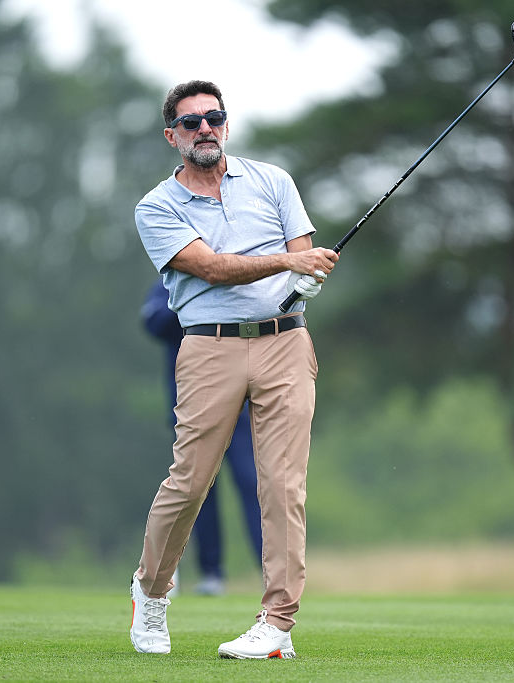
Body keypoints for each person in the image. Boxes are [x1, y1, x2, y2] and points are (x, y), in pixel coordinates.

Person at [128, 80, 338, 659]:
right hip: (209, 346)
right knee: (190, 481)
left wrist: (307, 275)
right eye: (190, 122)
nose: (205, 129)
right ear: (172, 136)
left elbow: (304, 249)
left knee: (283, 486)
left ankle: (277, 624)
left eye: (213, 118)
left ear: (226, 124)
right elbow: (214, 268)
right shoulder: (156, 206)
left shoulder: (273, 181)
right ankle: (151, 591)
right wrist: (292, 261)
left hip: (285, 342)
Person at [141, 279, 263, 596]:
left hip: (240, 404)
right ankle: (212, 573)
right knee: (197, 488)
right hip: (190, 404)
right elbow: (153, 322)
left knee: (252, 482)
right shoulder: (175, 280)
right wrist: (194, 302)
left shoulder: (235, 276)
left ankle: (270, 571)